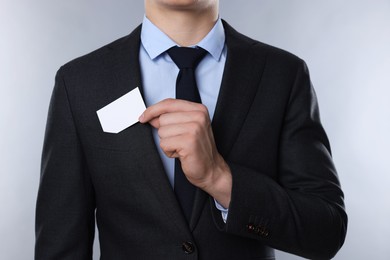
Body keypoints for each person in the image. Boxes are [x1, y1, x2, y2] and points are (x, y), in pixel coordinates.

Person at [35, 0, 347, 259]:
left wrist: (219, 178)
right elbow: (59, 247)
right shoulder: (80, 83)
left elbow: (326, 231)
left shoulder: (283, 75)